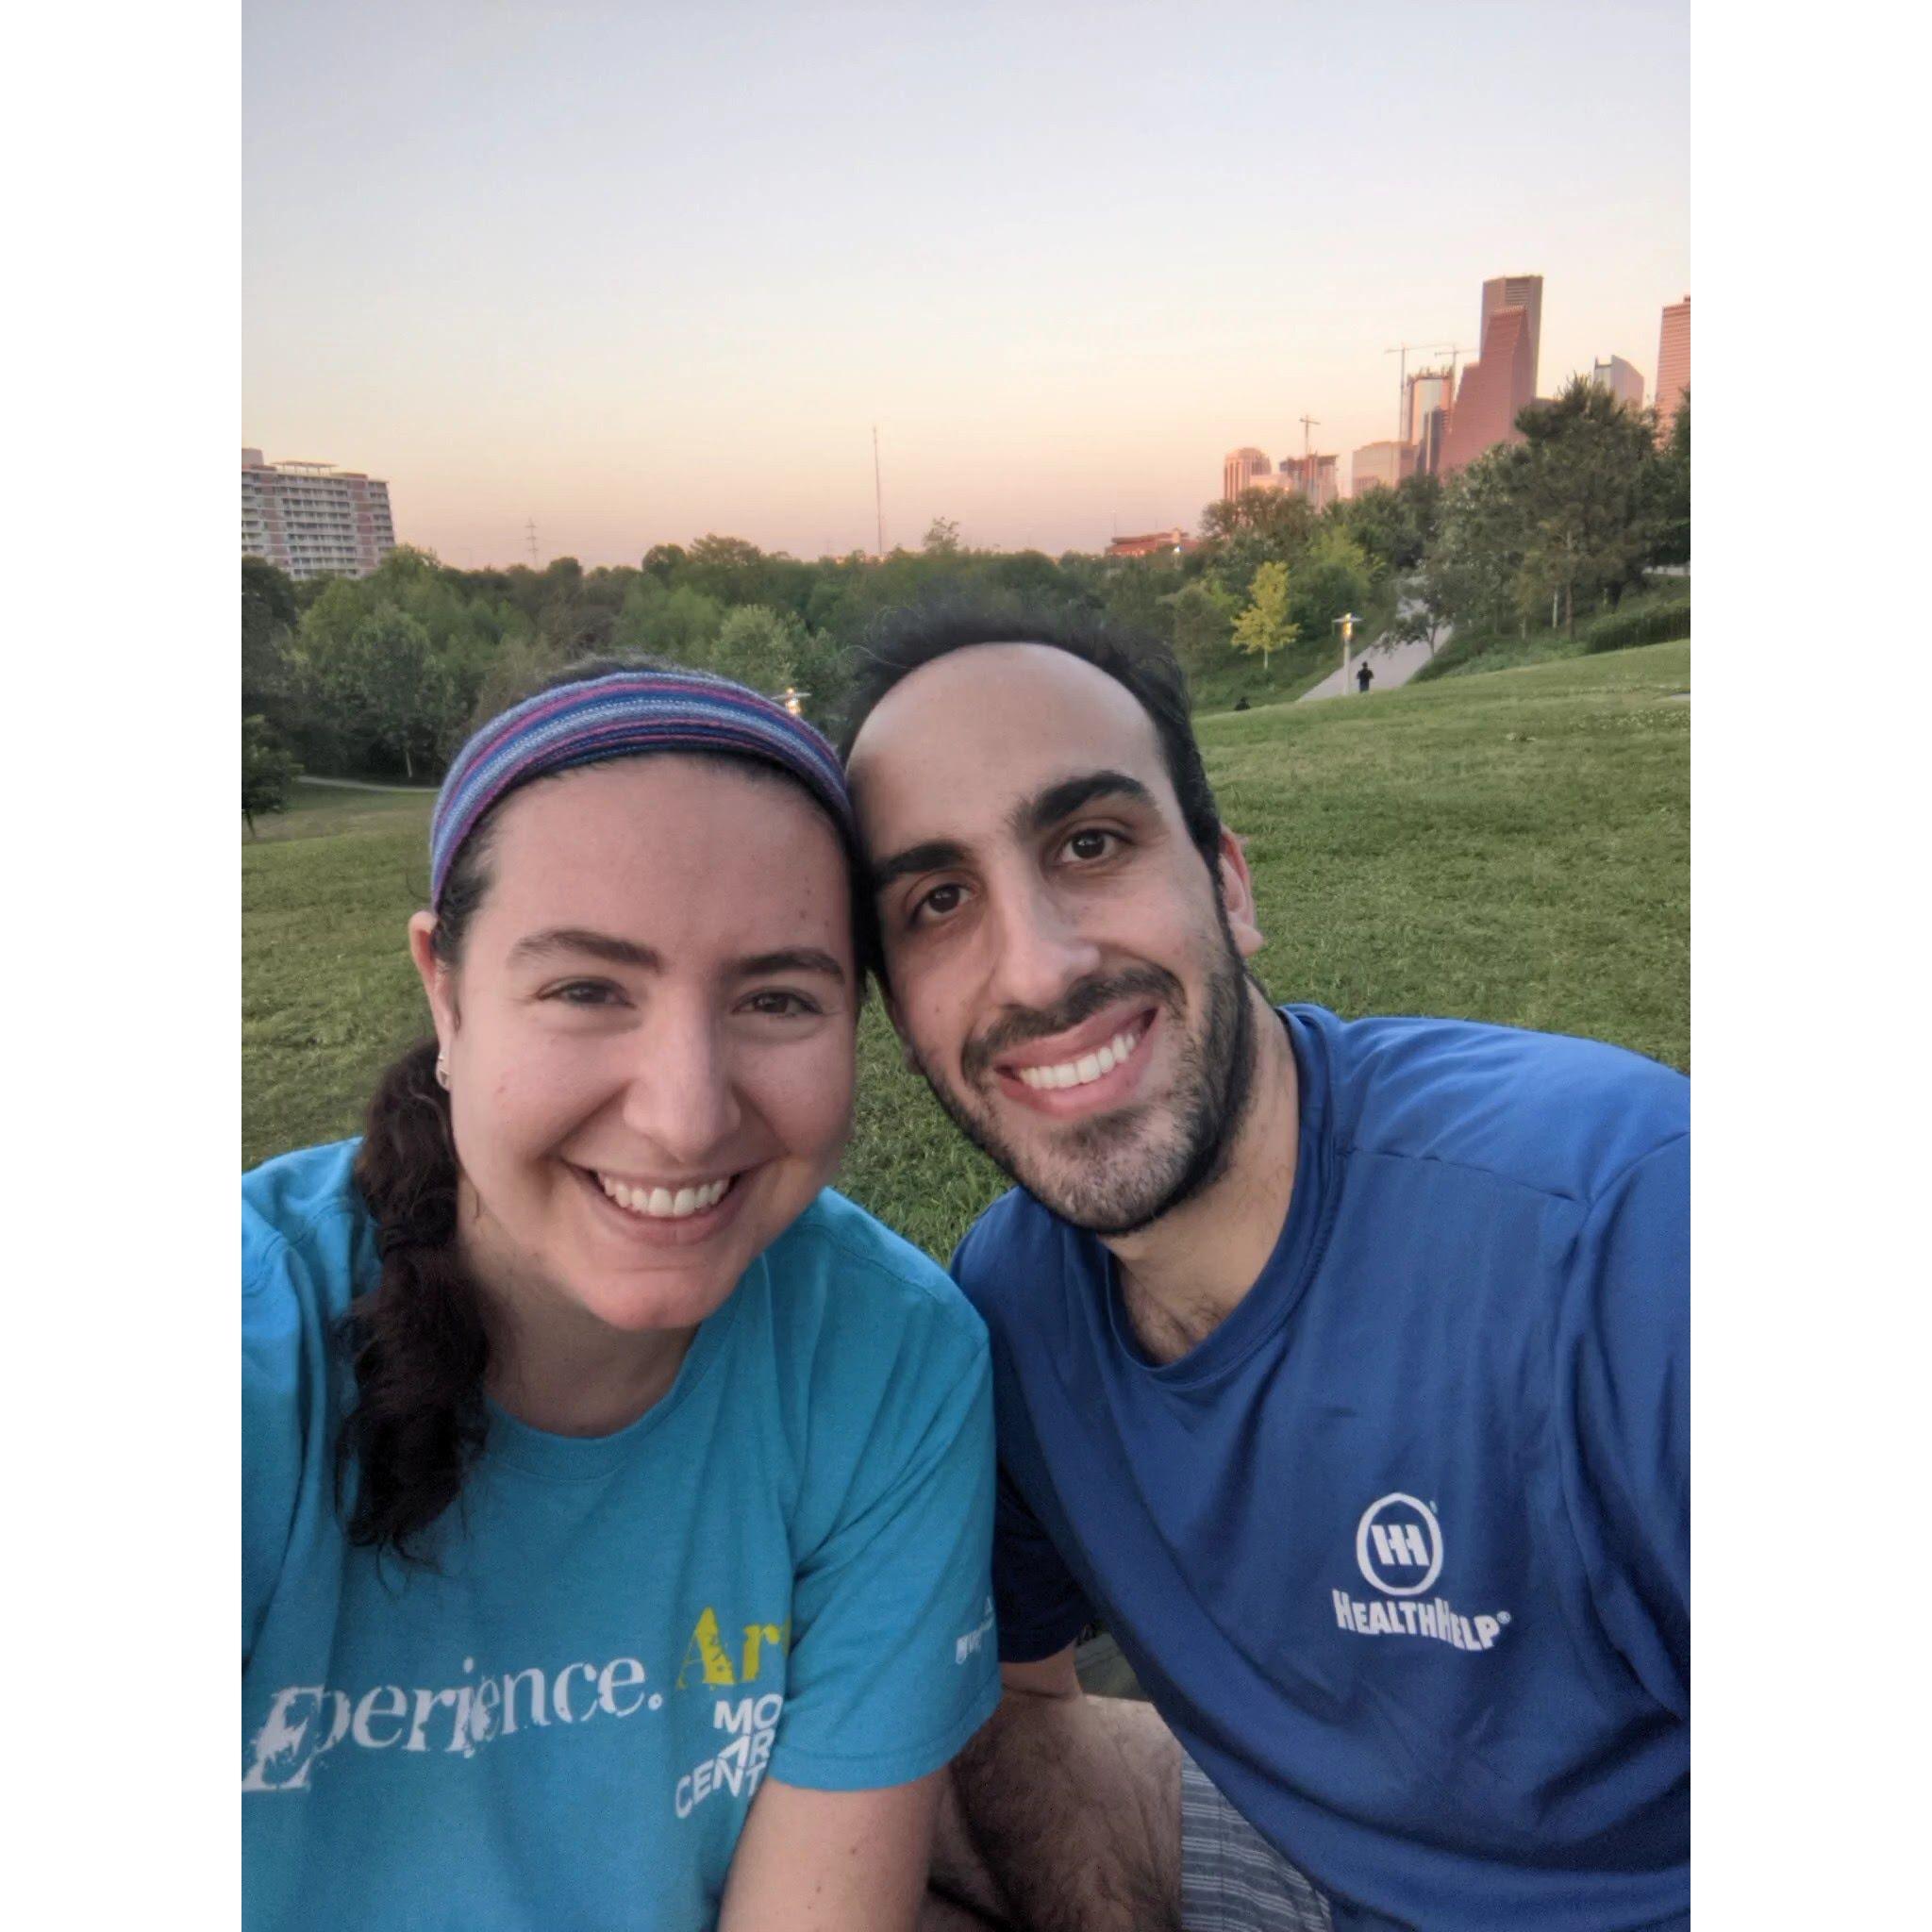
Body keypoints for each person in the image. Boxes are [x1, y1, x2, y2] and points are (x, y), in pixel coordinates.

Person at [839, 608, 1689, 1932]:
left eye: (1092, 842)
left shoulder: (1626, 1233)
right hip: (1311, 1866)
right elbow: (1012, 1701)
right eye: (938, 902)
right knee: (855, 1810)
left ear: (1230, 886)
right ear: (900, 1022)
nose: (1040, 966)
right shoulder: (1009, 1310)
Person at [243, 662, 1001, 1930]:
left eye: (777, 998)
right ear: (447, 988)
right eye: (588, 990)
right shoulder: (249, 1345)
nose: (687, 1112)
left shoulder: (887, 1361)